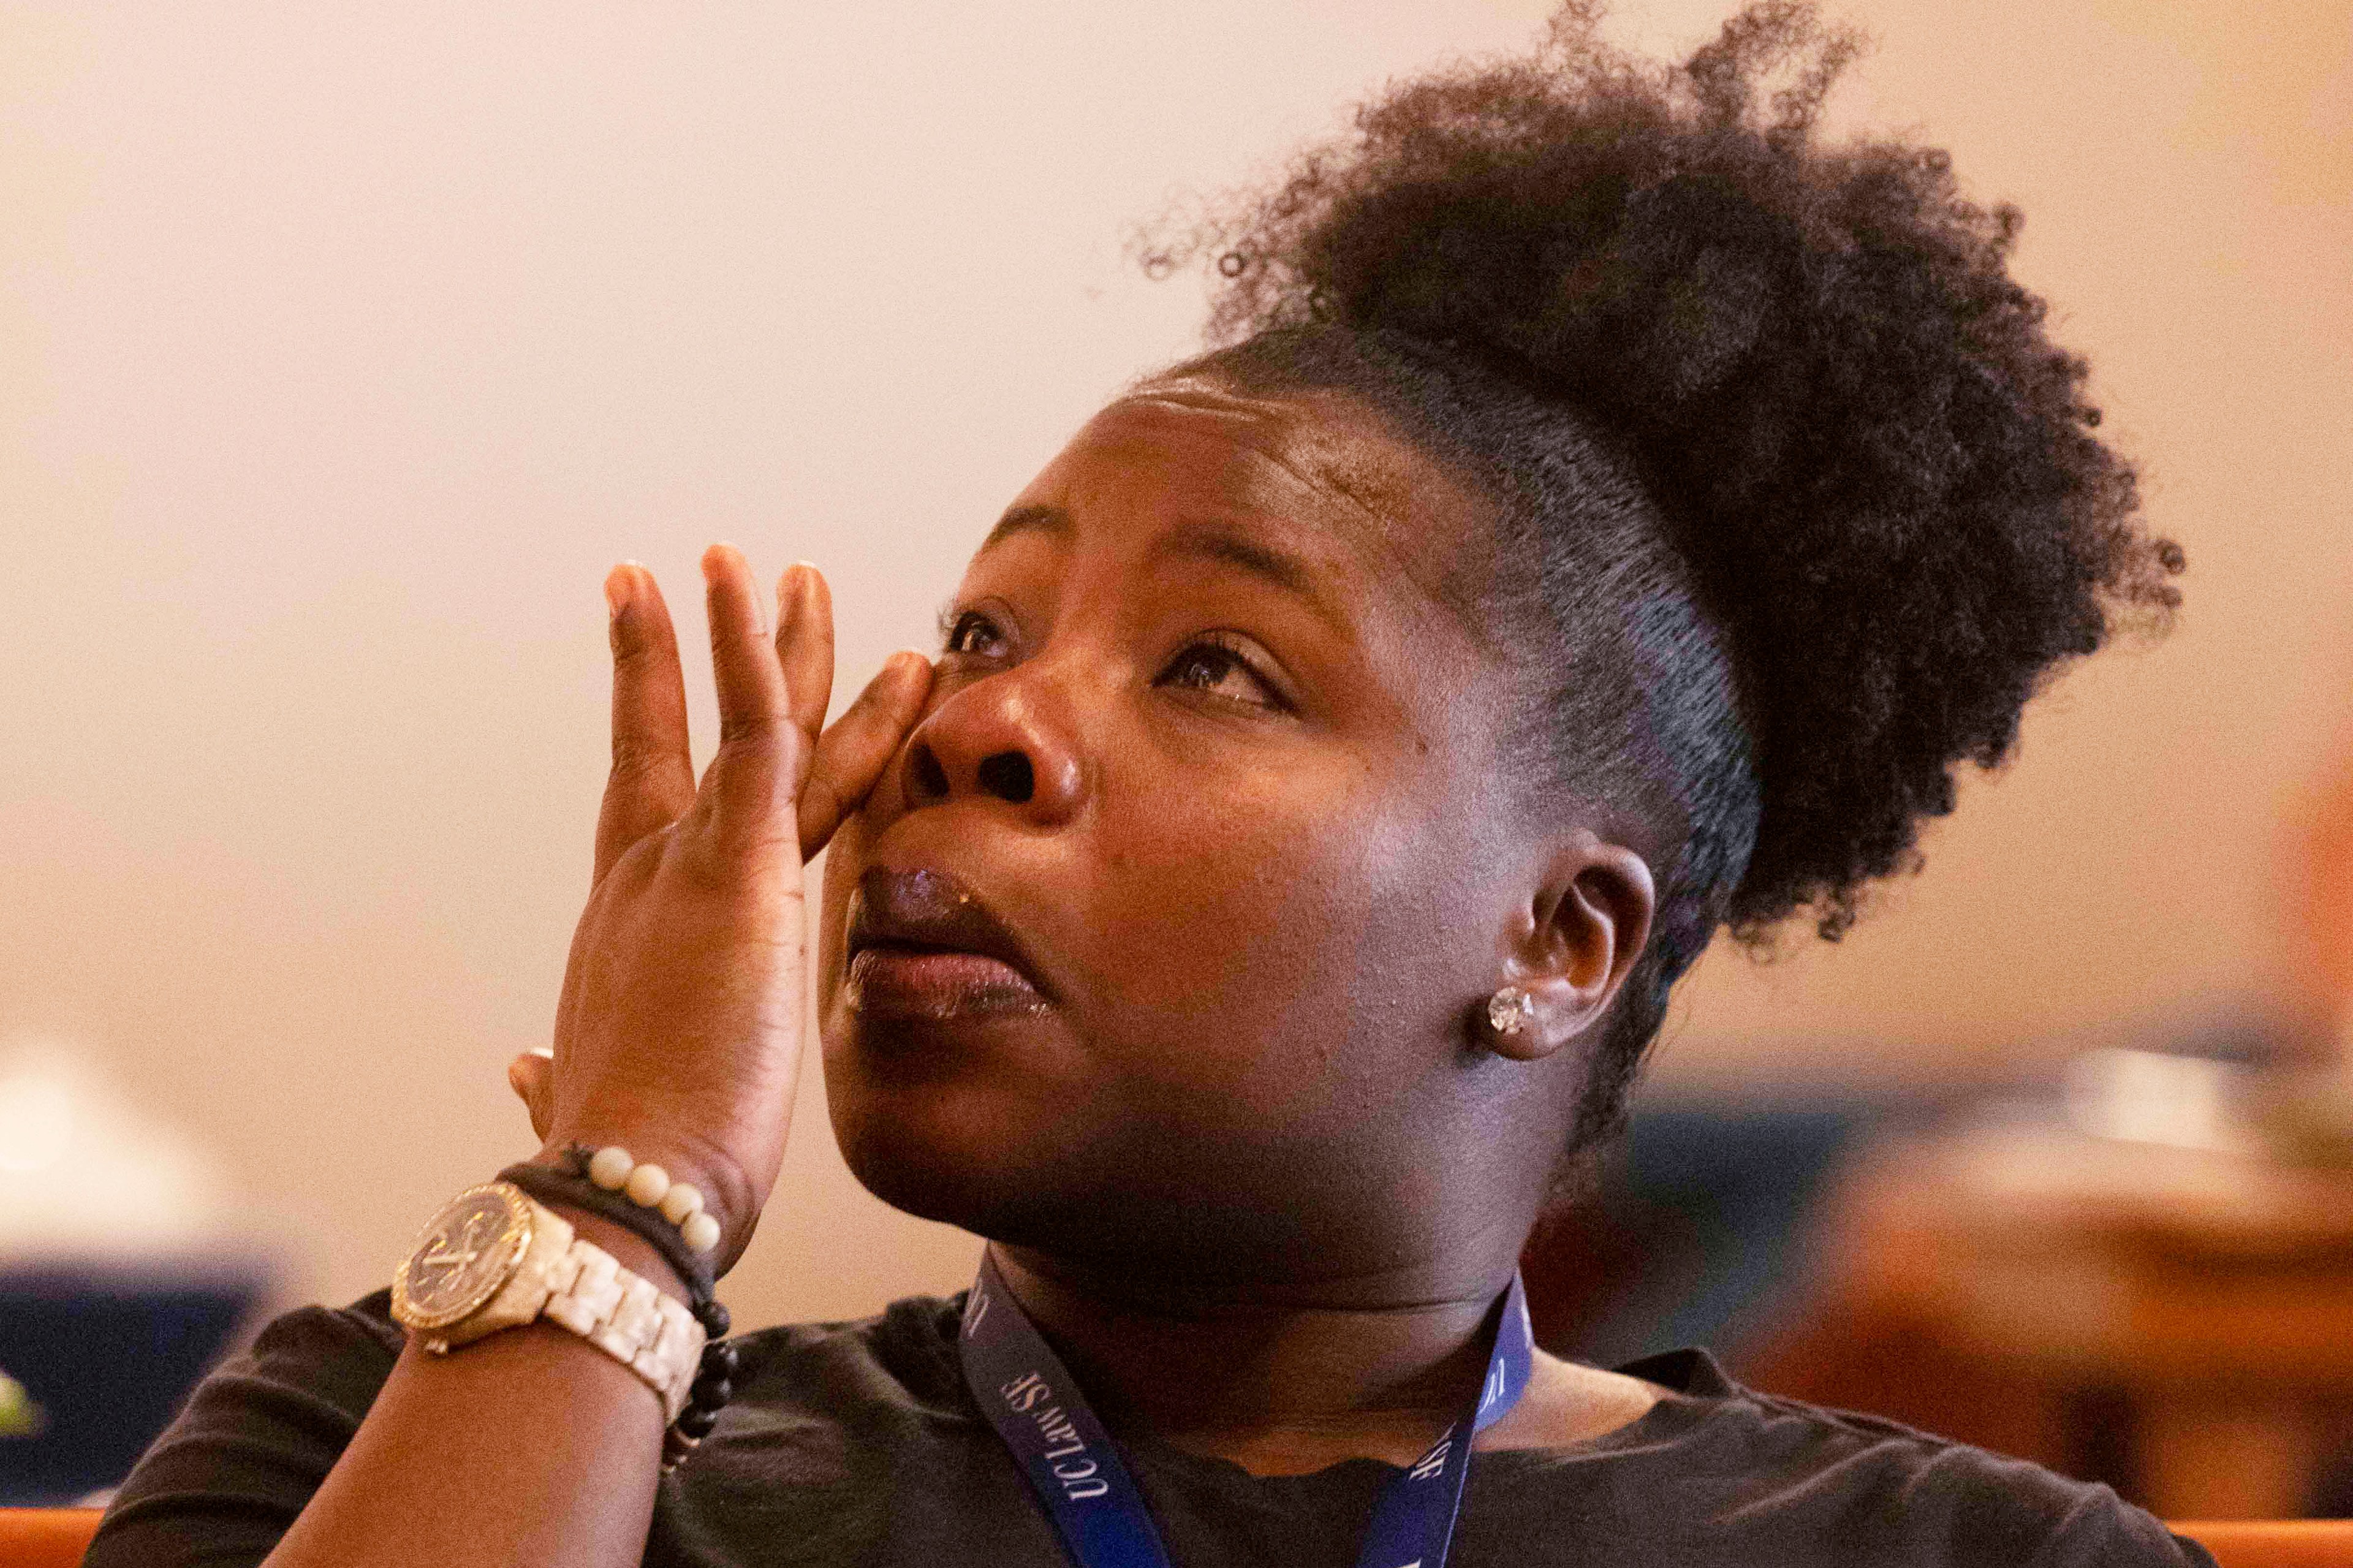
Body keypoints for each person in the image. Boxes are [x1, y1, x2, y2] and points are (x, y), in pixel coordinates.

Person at [85, 4, 2203, 1564]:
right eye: (988, 631)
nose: (969, 726)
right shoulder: (418, 1425)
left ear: (1559, 940)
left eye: (1217, 664)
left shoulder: (1968, 1561)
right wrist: (619, 1211)